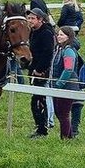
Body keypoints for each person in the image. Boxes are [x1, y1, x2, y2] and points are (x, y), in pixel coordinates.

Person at [27, 8, 56, 138]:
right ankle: (40, 126)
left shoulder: (46, 33)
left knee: (39, 101)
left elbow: (48, 53)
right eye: (29, 18)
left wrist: (39, 70)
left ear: (41, 19)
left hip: (43, 72)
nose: (30, 21)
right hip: (33, 70)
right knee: (36, 100)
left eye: (33, 18)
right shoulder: (33, 32)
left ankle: (43, 128)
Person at [50, 26, 83, 140]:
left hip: (67, 86)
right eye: (58, 34)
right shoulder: (59, 49)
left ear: (68, 37)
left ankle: (65, 138)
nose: (59, 37)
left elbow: (68, 69)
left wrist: (59, 83)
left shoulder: (68, 51)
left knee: (63, 114)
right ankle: (69, 136)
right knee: (59, 113)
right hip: (57, 85)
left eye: (62, 35)